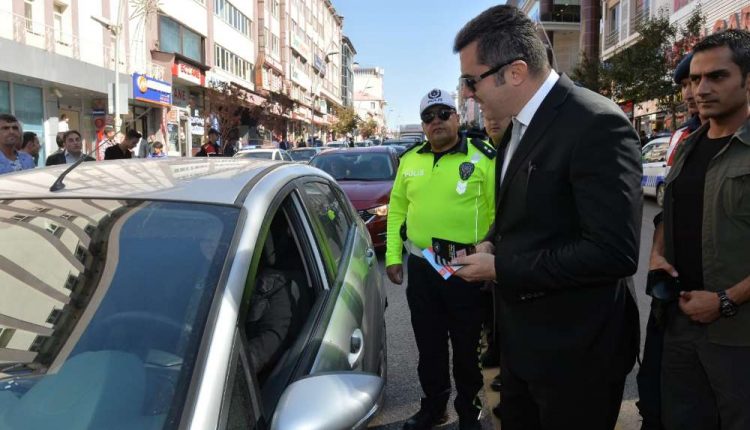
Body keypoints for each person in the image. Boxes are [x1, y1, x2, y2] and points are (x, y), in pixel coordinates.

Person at [452, 6, 641, 429]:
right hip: (522, 348)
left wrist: (501, 267)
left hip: (575, 356)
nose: (466, 94)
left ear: (515, 72)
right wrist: (491, 242)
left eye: (471, 80)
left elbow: (613, 252)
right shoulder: (515, 129)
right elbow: (526, 211)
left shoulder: (596, 123)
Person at [649, 29, 750, 430]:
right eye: (695, 78)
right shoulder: (688, 145)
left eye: (717, 77)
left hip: (739, 338)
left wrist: (726, 300)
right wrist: (658, 253)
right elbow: (667, 215)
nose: (701, 88)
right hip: (679, 324)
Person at [386, 88, 496, 430]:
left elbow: (500, 213)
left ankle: (470, 413)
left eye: (443, 114)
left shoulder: (483, 157)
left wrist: (492, 253)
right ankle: (434, 408)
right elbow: (397, 212)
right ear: (422, 125)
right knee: (429, 347)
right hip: (422, 269)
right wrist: (392, 255)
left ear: (457, 117)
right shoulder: (409, 160)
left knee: (467, 351)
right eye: (428, 117)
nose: (436, 122)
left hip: (467, 268)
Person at [636, 50, 704, 430]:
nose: (693, 91)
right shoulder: (685, 136)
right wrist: (657, 253)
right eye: (686, 83)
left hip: (723, 302)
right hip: (672, 291)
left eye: (703, 80)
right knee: (656, 384)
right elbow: (668, 209)